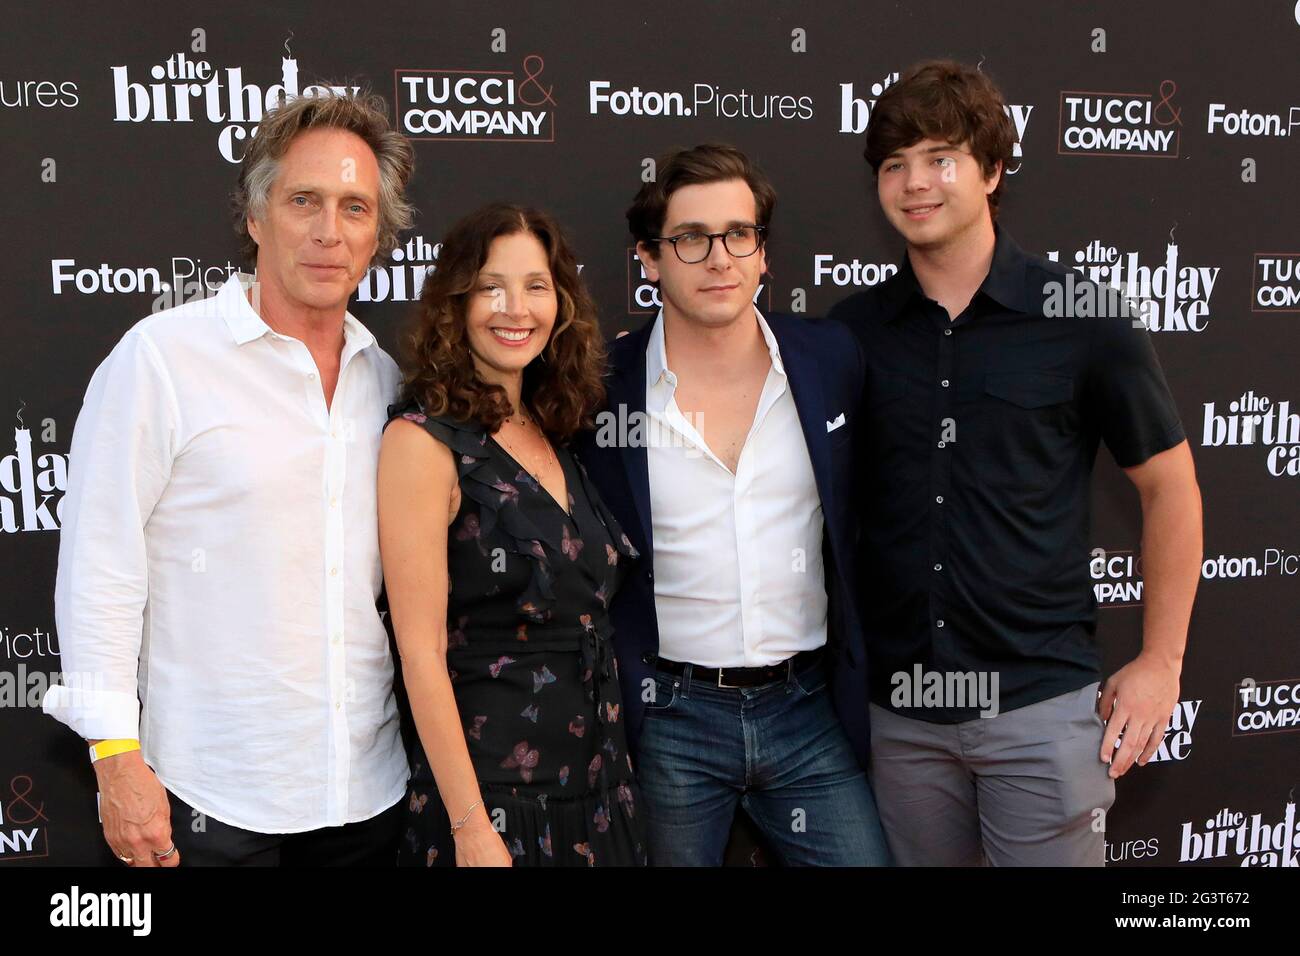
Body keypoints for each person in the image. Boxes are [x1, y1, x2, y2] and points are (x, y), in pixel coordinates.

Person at [828, 60, 1203, 866]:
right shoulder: (852, 331)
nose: (914, 182)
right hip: (902, 720)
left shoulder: (1083, 317)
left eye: (940, 157)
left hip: (1040, 711)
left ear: (993, 171)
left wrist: (1162, 663)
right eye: (894, 164)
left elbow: (1170, 486)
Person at [42, 90, 416, 866]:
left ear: (377, 236)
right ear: (254, 216)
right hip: (210, 801)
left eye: (354, 208)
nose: (327, 231)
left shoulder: (385, 380)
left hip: (368, 793)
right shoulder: (162, 360)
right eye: (303, 200)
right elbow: (100, 566)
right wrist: (114, 753)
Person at [577, 144, 890, 866]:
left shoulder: (829, 360)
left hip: (808, 710)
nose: (718, 258)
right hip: (670, 720)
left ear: (762, 254)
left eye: (738, 235)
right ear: (649, 260)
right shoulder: (599, 387)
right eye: (690, 238)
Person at [380, 203, 647, 867]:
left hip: (598, 790)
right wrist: (472, 828)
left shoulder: (554, 430)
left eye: (536, 286)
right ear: (456, 300)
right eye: (491, 286)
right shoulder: (422, 442)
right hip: (496, 798)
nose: (515, 308)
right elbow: (420, 653)